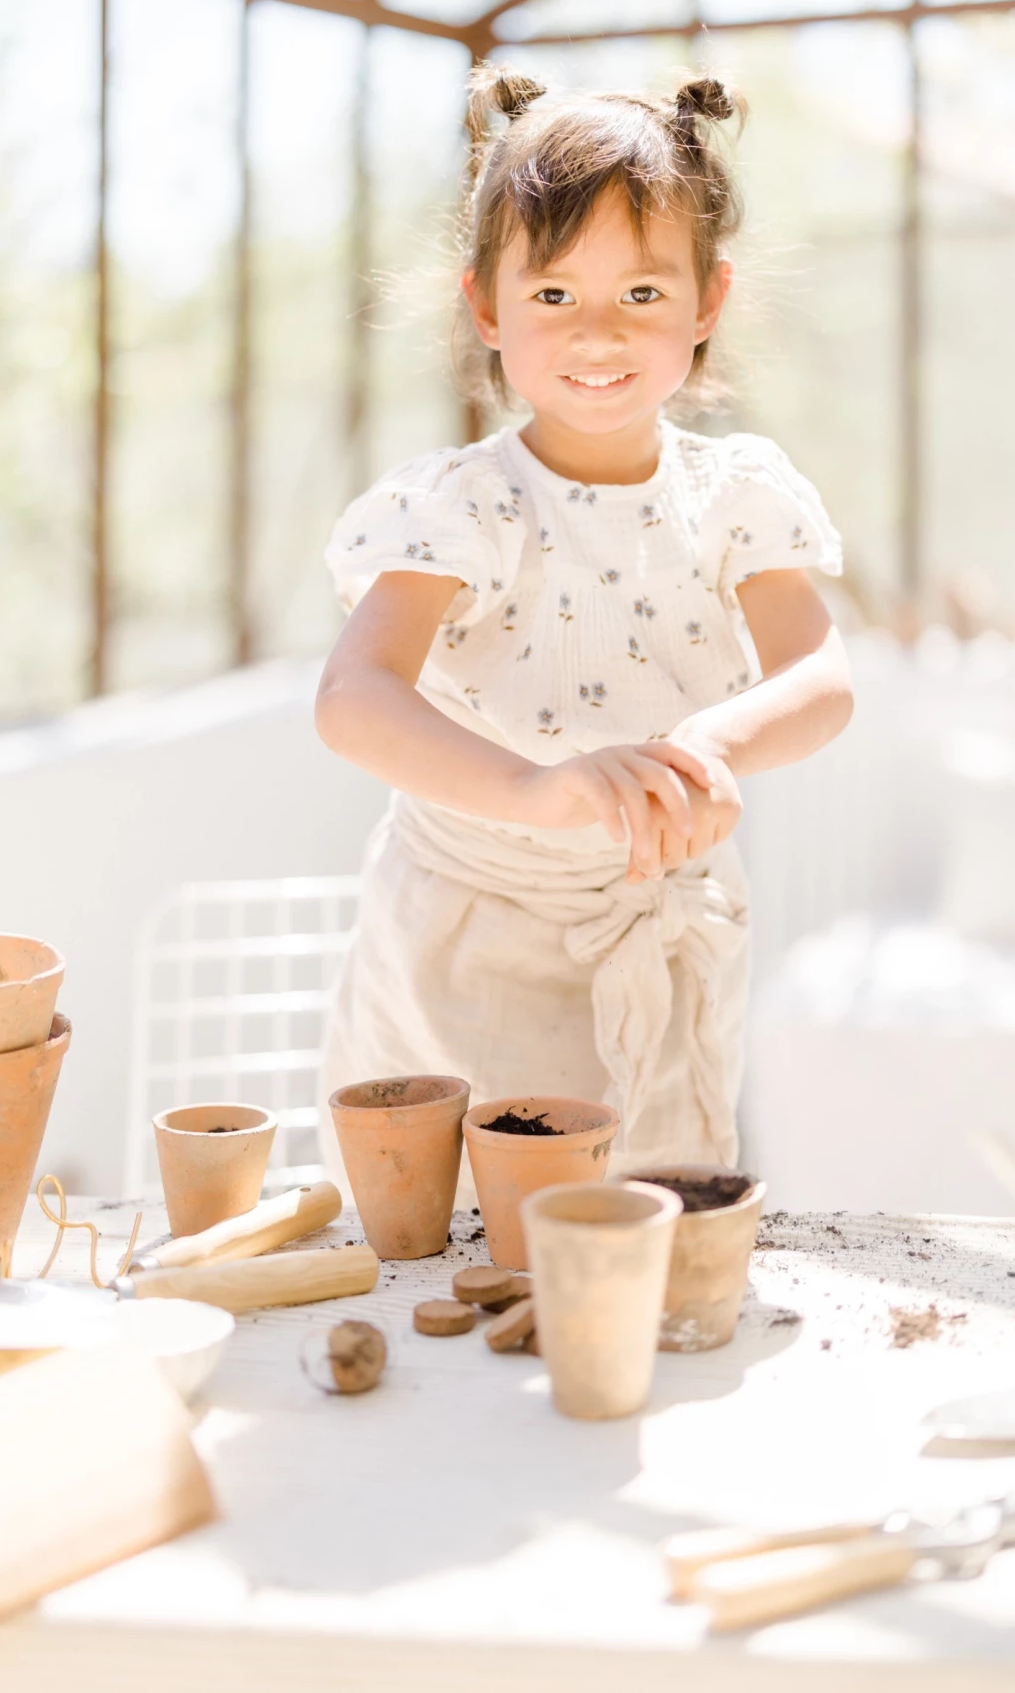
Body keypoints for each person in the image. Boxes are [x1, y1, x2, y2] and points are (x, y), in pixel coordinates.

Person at [314, 65, 852, 1189]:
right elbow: (353, 699)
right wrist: (528, 792)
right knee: (447, 1233)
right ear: (486, 306)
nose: (596, 332)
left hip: (659, 913)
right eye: (553, 295)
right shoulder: (457, 505)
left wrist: (710, 746)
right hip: (466, 932)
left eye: (643, 296)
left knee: (639, 1220)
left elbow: (820, 674)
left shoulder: (739, 492)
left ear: (708, 301)